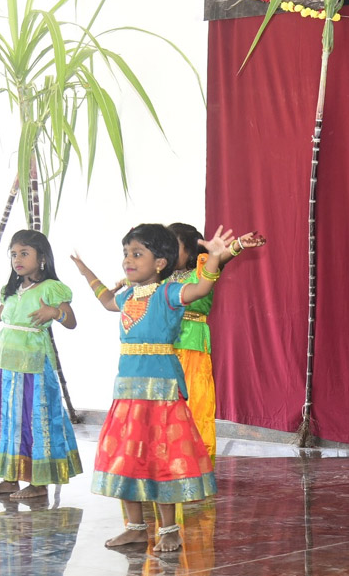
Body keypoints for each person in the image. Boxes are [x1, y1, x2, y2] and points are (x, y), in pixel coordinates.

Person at [70, 224, 236, 553]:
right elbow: (107, 300)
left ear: (160, 262)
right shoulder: (128, 296)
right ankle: (134, 528)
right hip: (128, 394)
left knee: (162, 458)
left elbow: (200, 289)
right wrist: (85, 271)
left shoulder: (168, 294)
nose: (127, 260)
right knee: (126, 458)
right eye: (125, 254)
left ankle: (169, 529)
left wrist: (215, 259)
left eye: (137, 254)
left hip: (161, 396)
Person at [0, 229, 82, 500]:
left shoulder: (50, 288)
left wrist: (54, 312)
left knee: (34, 420)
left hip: (33, 367)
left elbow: (71, 322)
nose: (17, 259)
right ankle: (10, 478)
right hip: (4, 366)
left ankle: (38, 482)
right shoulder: (12, 291)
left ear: (42, 257)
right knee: (7, 420)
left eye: (24, 253)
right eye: (13, 254)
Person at [167, 222, 266, 457]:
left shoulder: (202, 268)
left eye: (174, 246)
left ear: (190, 249)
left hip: (193, 349)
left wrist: (238, 245)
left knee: (194, 407)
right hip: (164, 349)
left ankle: (193, 463)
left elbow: (219, 259)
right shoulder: (161, 275)